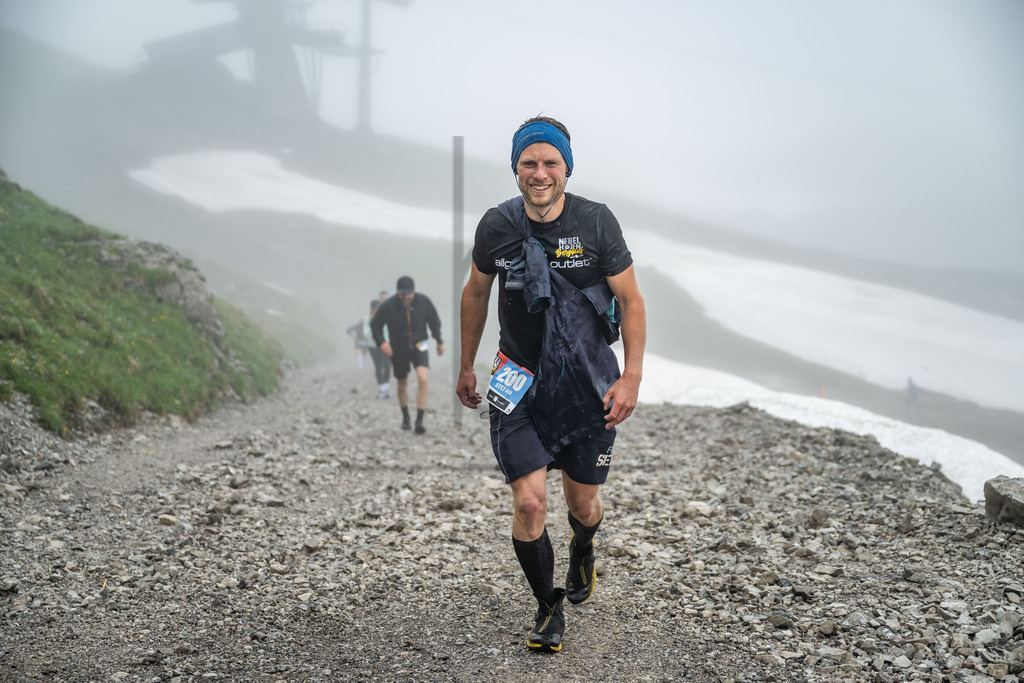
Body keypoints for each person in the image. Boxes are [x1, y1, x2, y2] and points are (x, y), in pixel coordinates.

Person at [456, 115, 646, 653]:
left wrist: (630, 377)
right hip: (516, 378)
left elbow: (631, 301)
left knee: (584, 504)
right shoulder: (497, 225)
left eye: (550, 163)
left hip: (586, 380)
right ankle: (547, 608)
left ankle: (583, 544)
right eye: (528, 163)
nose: (539, 173)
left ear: (567, 168)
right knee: (531, 503)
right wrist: (468, 364)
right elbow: (475, 293)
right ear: (515, 169)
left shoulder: (596, 223)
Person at [371, 276, 444, 434]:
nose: (406, 297)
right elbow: (375, 325)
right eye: (402, 294)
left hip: (420, 345)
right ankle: (406, 417)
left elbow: (434, 322)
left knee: (423, 378)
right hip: (398, 348)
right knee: (402, 383)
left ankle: (419, 420)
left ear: (414, 290)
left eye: (409, 294)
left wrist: (439, 341)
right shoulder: (389, 305)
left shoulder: (423, 302)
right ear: (397, 292)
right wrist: (382, 343)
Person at [366, 300, 392, 398]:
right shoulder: (367, 319)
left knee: (387, 365)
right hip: (373, 346)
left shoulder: (386, 317)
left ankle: (385, 387)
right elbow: (366, 333)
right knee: (378, 366)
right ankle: (382, 388)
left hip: (386, 344)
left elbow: (389, 330)